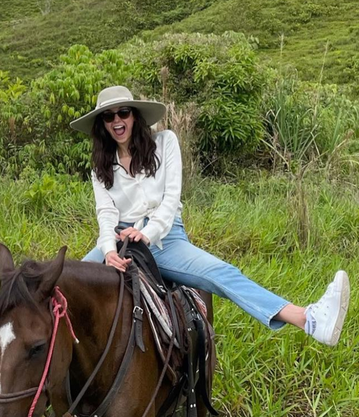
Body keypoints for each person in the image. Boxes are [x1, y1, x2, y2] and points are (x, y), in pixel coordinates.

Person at [71, 85, 350, 346]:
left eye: (123, 112)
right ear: (102, 124)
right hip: (119, 237)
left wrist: (146, 233)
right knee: (70, 285)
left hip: (162, 238)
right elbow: (106, 213)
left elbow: (171, 200)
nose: (116, 120)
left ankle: (308, 319)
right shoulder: (101, 167)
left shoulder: (165, 143)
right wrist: (108, 251)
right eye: (108, 116)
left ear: (135, 116)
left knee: (220, 273)